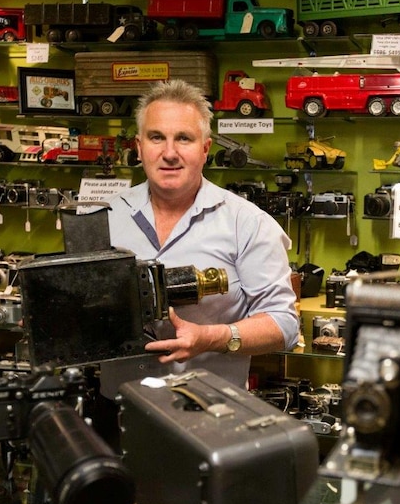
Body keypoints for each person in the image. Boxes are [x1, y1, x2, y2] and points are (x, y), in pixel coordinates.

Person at [104, 79, 299, 390]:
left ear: (205, 149)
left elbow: (284, 324)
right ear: (138, 148)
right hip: (118, 411)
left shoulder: (247, 223)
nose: (169, 153)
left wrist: (213, 337)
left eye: (184, 138)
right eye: (157, 137)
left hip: (212, 417)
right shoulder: (104, 218)